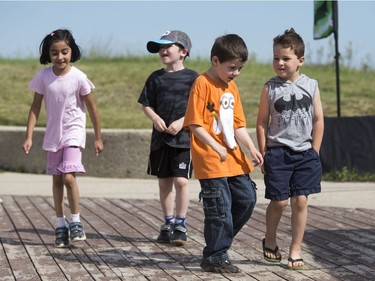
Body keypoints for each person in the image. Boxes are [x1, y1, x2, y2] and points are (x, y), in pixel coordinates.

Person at [183, 34, 263, 273]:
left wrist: (251, 147)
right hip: (211, 159)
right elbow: (195, 124)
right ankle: (215, 256)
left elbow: (238, 125)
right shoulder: (202, 83)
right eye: (232, 68)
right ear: (215, 60)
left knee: (247, 199)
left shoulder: (232, 87)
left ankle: (219, 243)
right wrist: (215, 146)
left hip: (234, 159)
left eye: (240, 68)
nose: (236, 72)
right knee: (220, 208)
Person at [22, 29, 103, 248]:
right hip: (53, 135)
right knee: (57, 180)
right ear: (48, 54)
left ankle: (75, 221)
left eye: (64, 52)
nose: (60, 57)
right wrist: (29, 135)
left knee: (68, 177)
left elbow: (93, 108)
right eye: (54, 52)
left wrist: (97, 137)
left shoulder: (78, 77)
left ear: (72, 51)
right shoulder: (43, 77)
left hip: (73, 132)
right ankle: (60, 224)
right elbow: (35, 107)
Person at [256, 28, 324, 270]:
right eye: (276, 58)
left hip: (305, 153)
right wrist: (263, 152)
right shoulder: (270, 88)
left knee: (301, 201)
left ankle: (295, 249)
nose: (280, 63)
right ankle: (271, 239)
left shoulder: (312, 86)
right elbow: (262, 122)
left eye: (285, 58)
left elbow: (318, 119)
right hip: (278, 152)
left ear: (300, 61)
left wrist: (314, 151)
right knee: (279, 202)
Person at [137, 30, 199, 246]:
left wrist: (183, 121)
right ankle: (168, 222)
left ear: (183, 51)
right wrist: (154, 118)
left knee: (181, 181)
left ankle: (181, 224)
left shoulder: (194, 78)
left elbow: (200, 108)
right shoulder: (155, 77)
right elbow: (146, 104)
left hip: (183, 140)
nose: (163, 51)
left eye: (167, 46)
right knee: (164, 183)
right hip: (160, 141)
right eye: (160, 48)